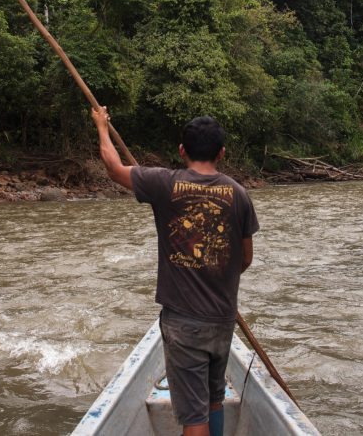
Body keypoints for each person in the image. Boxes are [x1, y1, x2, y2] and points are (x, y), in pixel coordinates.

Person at [91, 106, 259, 436]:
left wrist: (101, 126)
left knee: (194, 416)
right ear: (222, 153)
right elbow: (245, 258)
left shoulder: (164, 183)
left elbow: (113, 168)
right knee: (213, 401)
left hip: (184, 324)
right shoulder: (239, 195)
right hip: (222, 320)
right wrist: (217, 275)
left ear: (182, 151)